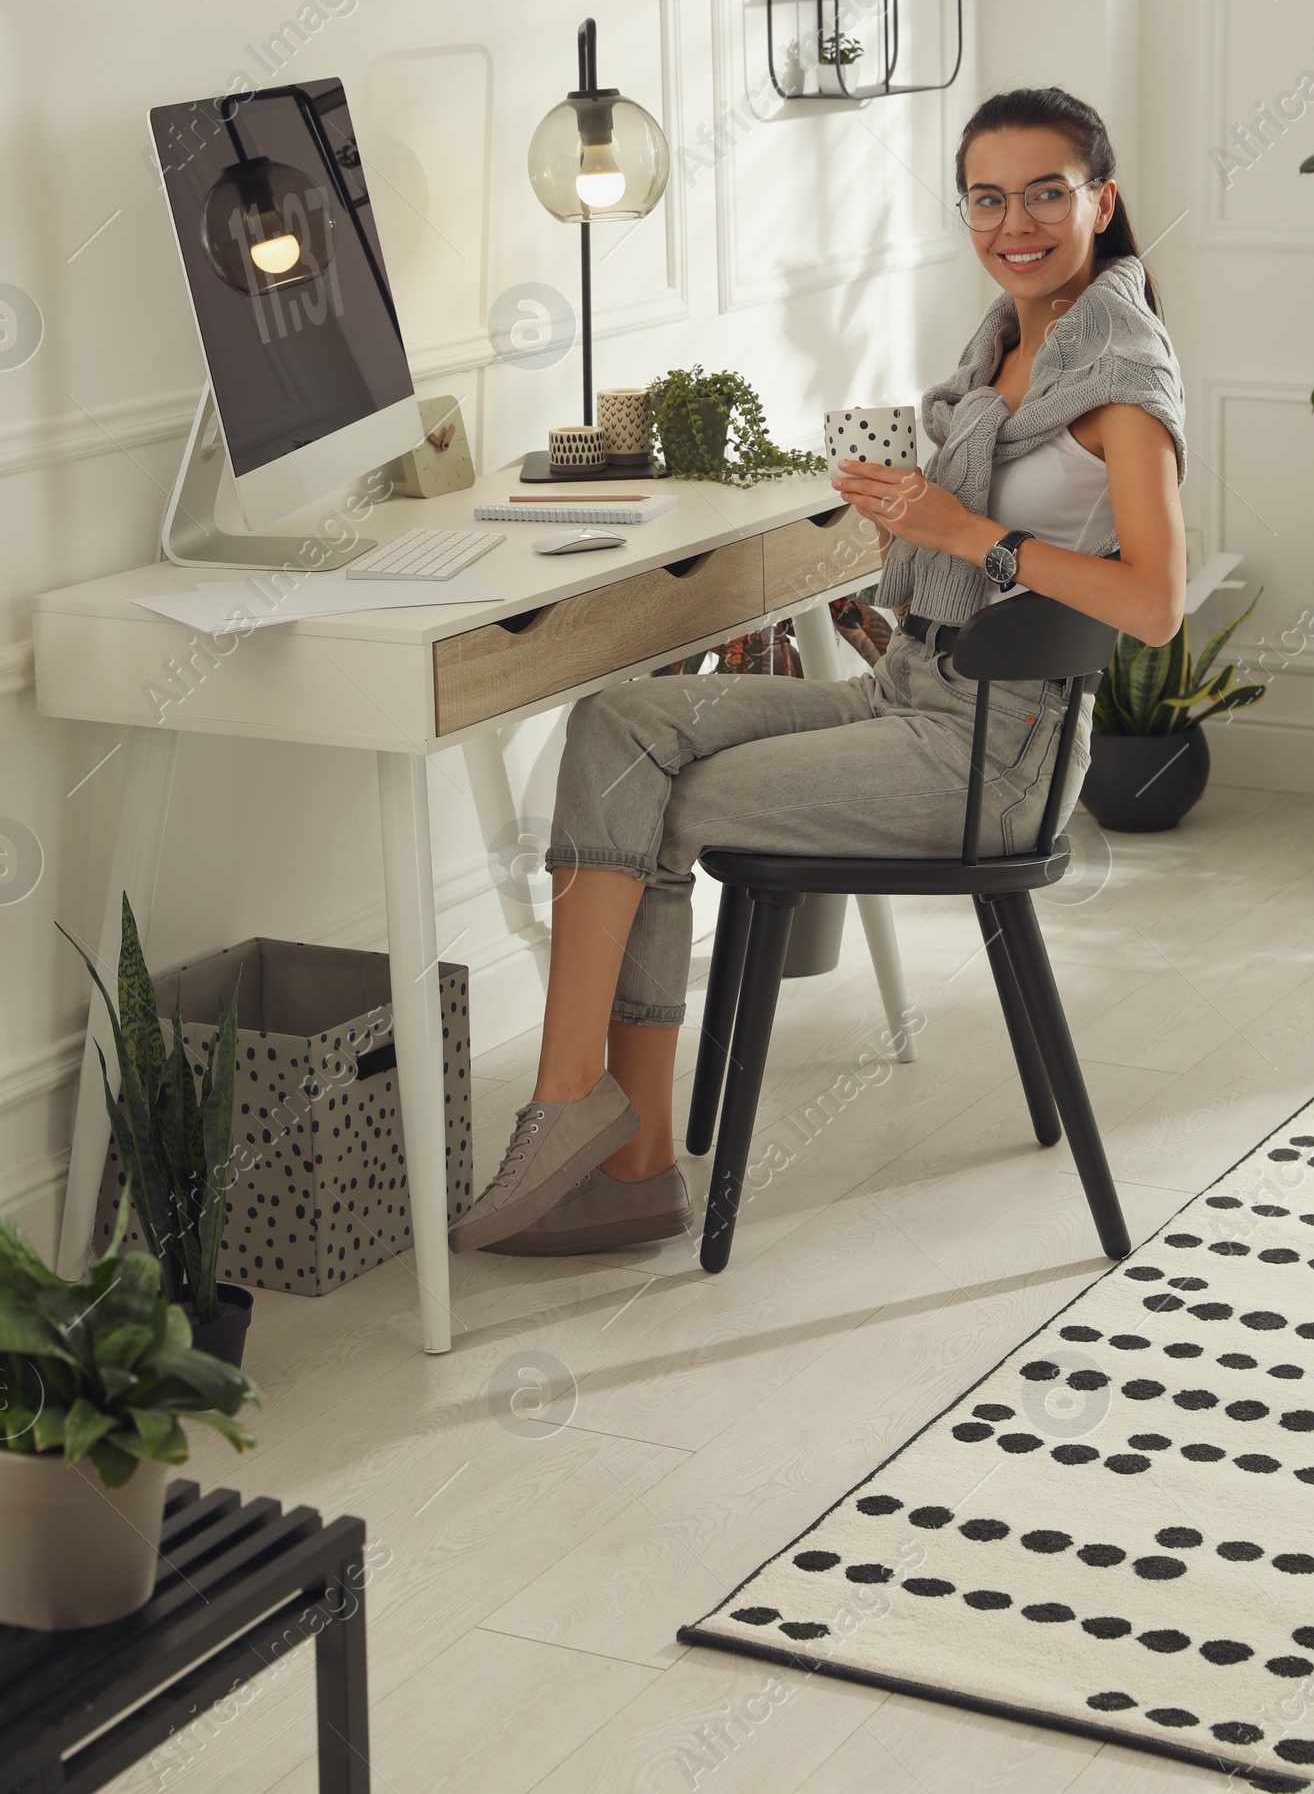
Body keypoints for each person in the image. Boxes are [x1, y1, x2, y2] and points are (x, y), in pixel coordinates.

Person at [449, 85, 1187, 1260]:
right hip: (909, 692)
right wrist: (899, 526)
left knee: (658, 805)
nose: (1017, 222)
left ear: (1100, 197)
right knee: (617, 723)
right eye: (987, 198)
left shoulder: (1121, 382)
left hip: (994, 754)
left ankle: (624, 1154)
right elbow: (961, 545)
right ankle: (580, 1104)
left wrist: (964, 536)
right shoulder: (1004, 348)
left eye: (1048, 192)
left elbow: (1152, 604)